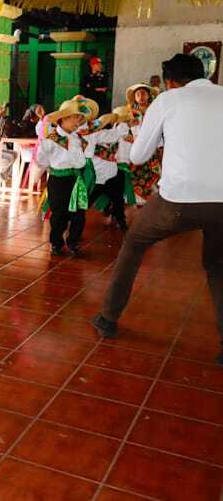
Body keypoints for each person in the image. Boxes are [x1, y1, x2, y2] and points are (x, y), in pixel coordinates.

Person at [92, 53, 223, 366]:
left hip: (176, 199)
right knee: (218, 266)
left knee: (134, 244)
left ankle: (108, 318)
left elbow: (137, 156)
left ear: (170, 82)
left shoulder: (167, 101)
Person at [36, 97, 99, 257]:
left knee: (79, 213)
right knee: (59, 215)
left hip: (75, 179)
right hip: (58, 181)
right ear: (62, 119)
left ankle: (73, 242)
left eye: (79, 119)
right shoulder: (51, 140)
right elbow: (41, 159)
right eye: (74, 118)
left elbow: (83, 157)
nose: (78, 122)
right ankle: (56, 243)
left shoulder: (78, 138)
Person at [85, 108, 135, 232]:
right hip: (97, 175)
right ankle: (74, 221)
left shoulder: (117, 133)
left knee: (117, 199)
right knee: (87, 200)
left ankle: (120, 220)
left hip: (111, 173)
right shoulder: (94, 134)